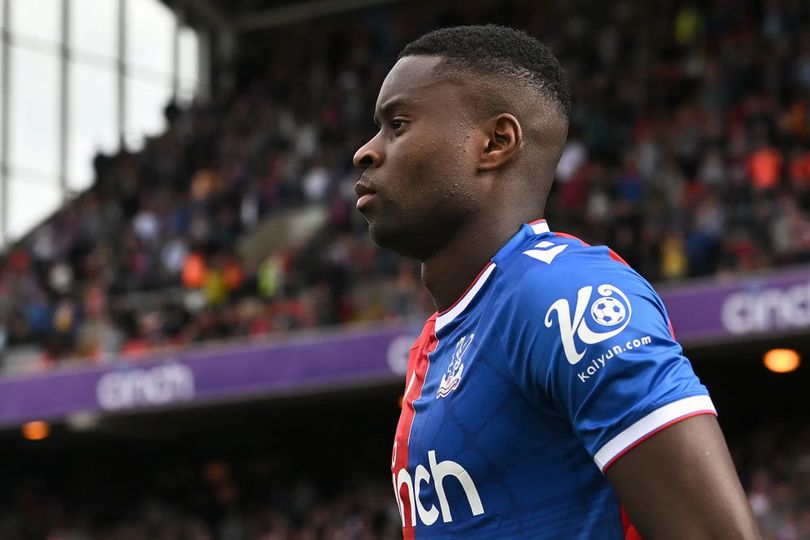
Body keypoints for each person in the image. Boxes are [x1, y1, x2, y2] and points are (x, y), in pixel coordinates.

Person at [353, 25, 759, 539]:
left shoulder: (566, 295)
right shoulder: (435, 343)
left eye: (397, 124)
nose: (365, 151)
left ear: (495, 143)